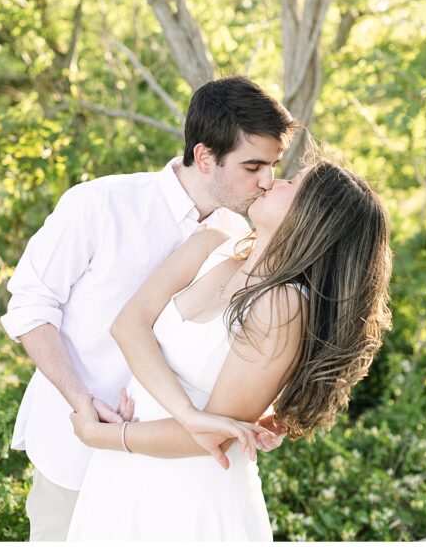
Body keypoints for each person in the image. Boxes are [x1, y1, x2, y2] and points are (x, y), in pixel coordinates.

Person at [0, 76, 296, 541]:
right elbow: (30, 307)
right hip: (77, 447)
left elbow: (230, 346)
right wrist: (81, 399)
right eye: (253, 166)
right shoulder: (100, 203)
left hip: (169, 467)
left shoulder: (241, 236)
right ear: (204, 157)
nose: (267, 182)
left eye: (274, 166)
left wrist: (257, 415)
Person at [64, 157, 393, 540]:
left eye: (293, 183)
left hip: (192, 497)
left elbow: (211, 436)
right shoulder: (216, 242)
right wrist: (177, 415)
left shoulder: (281, 306)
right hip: (124, 476)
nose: (273, 180)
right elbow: (127, 324)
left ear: (314, 219)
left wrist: (104, 437)